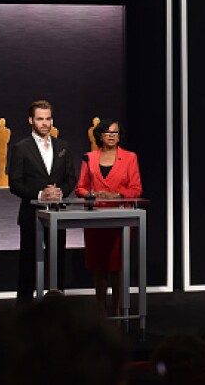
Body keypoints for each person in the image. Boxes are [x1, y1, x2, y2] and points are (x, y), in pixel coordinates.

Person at [9, 100, 77, 305]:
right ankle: (24, 314)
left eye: (48, 119)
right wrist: (40, 195)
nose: (45, 123)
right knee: (28, 265)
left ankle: (57, 312)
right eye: (40, 119)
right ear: (31, 120)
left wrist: (59, 192)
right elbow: (14, 183)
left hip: (57, 214)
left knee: (57, 264)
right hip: (31, 215)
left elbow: (71, 178)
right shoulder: (20, 148)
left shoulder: (63, 146)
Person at [75, 117, 142, 316]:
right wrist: (91, 194)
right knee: (98, 267)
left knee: (117, 267)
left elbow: (136, 188)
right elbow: (80, 187)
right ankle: (101, 313)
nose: (112, 136)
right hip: (95, 219)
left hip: (120, 219)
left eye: (115, 133)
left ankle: (119, 313)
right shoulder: (89, 157)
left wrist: (118, 194)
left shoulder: (130, 157)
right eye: (108, 132)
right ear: (100, 135)